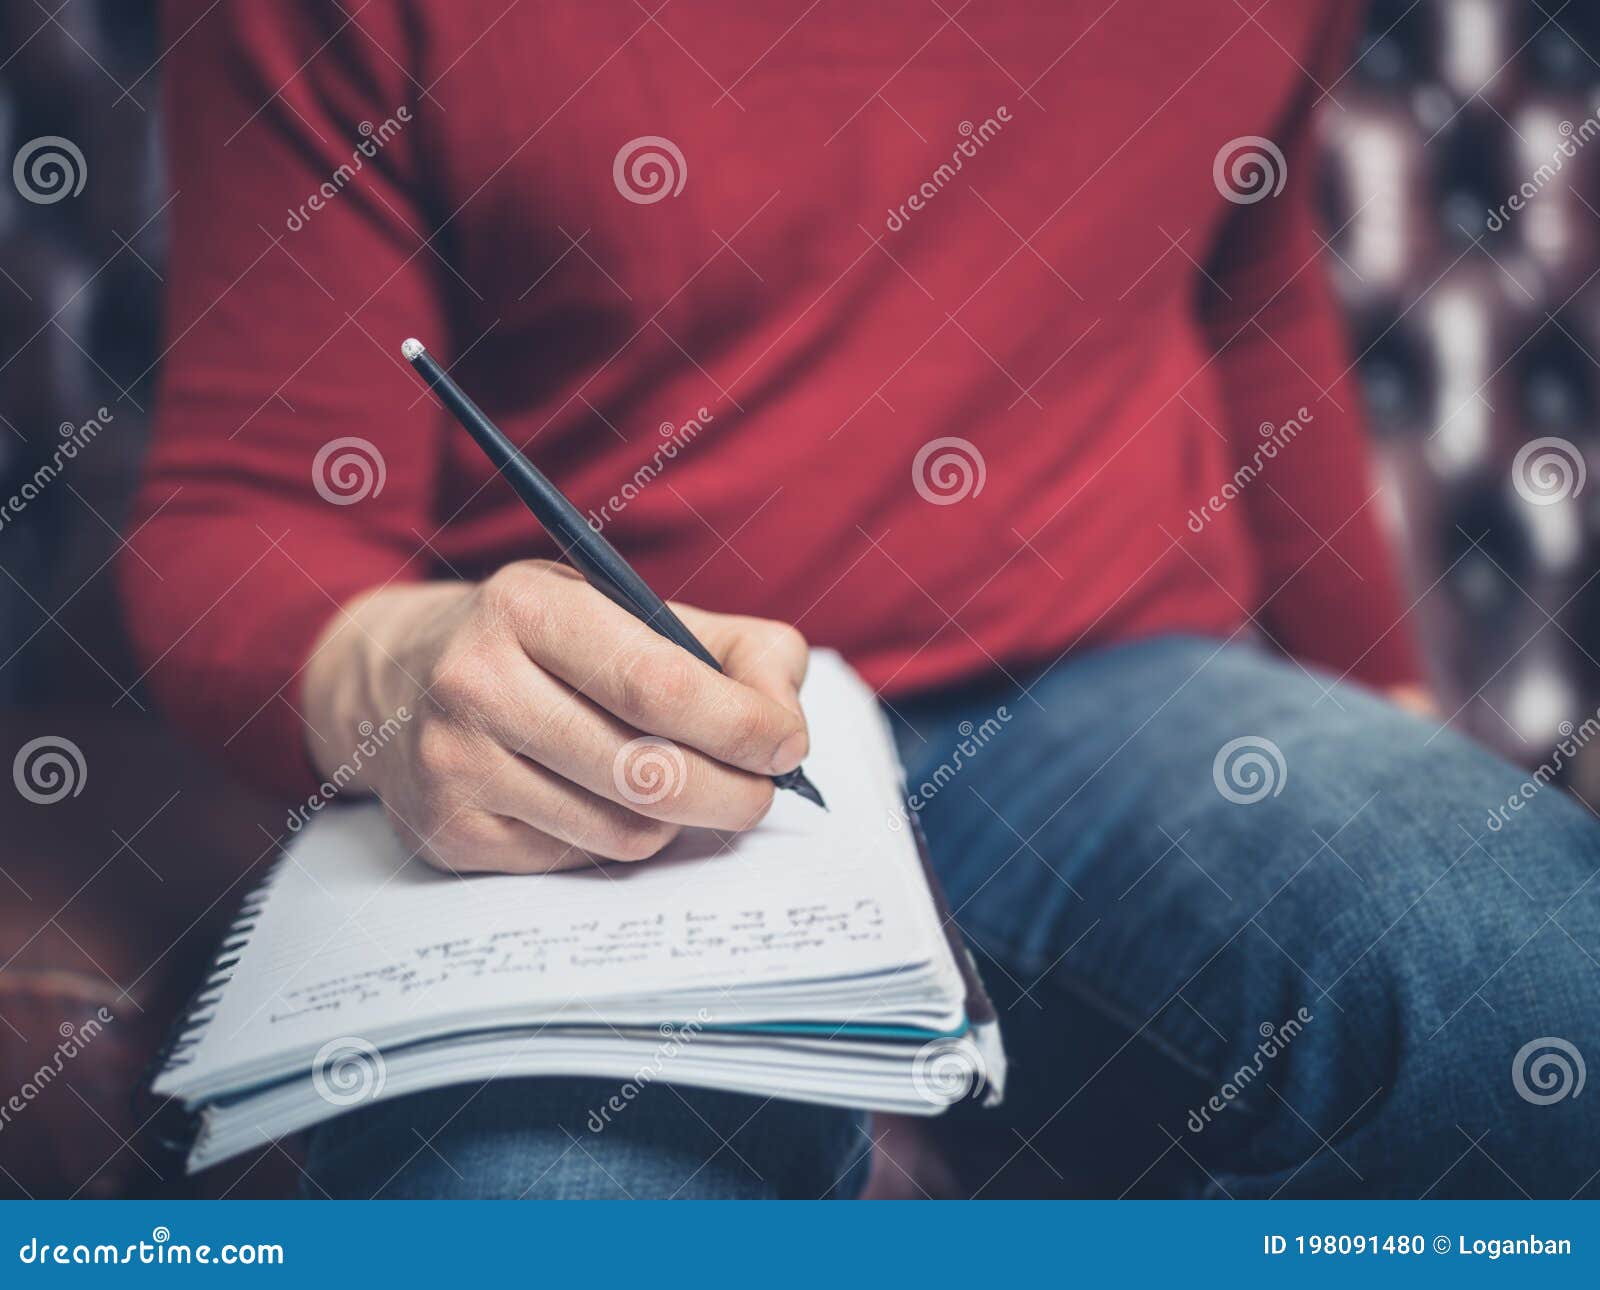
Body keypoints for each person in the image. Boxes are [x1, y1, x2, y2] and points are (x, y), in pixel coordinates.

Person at [123, 1, 1597, 1199]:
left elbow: (1242, 281)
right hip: (610, 746)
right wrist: (403, 670)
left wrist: (1392, 702)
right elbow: (241, 511)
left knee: (1530, 978)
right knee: (548, 1208)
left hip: (1113, 679)